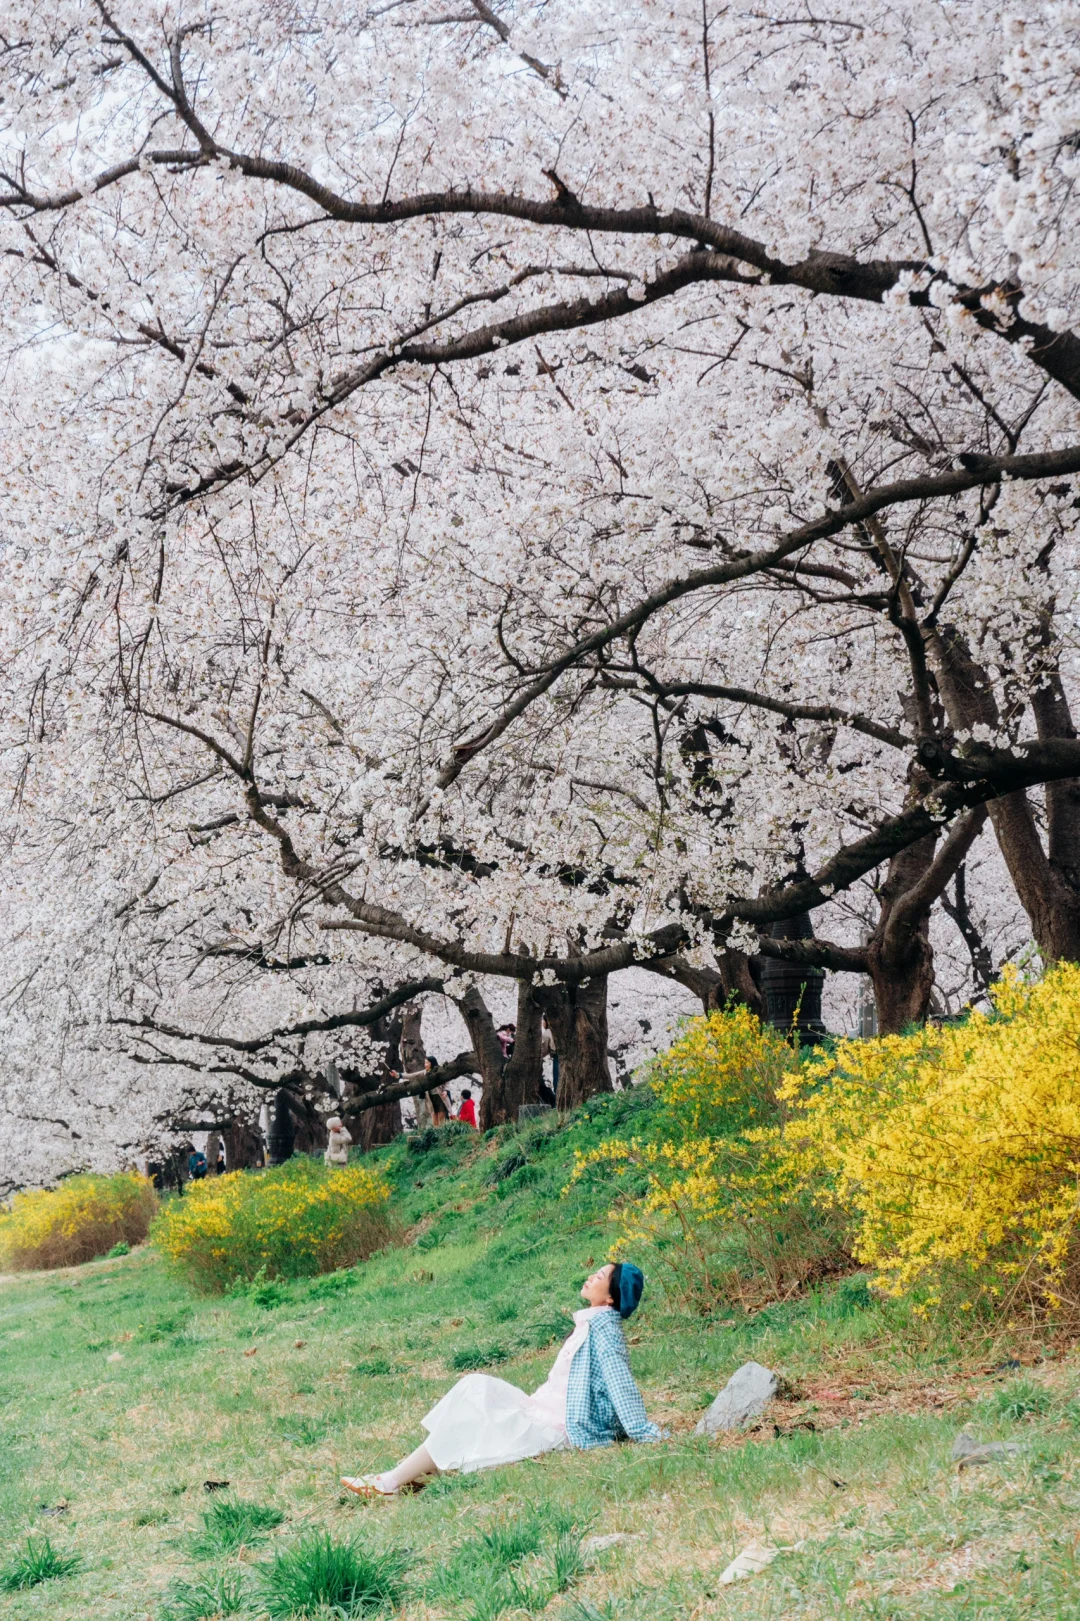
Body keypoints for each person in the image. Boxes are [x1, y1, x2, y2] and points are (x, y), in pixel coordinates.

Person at [342, 1261, 658, 1497]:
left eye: (600, 1277)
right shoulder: (592, 1325)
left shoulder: (605, 1335)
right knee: (474, 1388)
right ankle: (396, 1478)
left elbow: (622, 1386)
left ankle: (389, 1482)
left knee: (474, 1415)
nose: (591, 1276)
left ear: (611, 1299)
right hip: (541, 1410)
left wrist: (644, 1431)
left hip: (558, 1428)